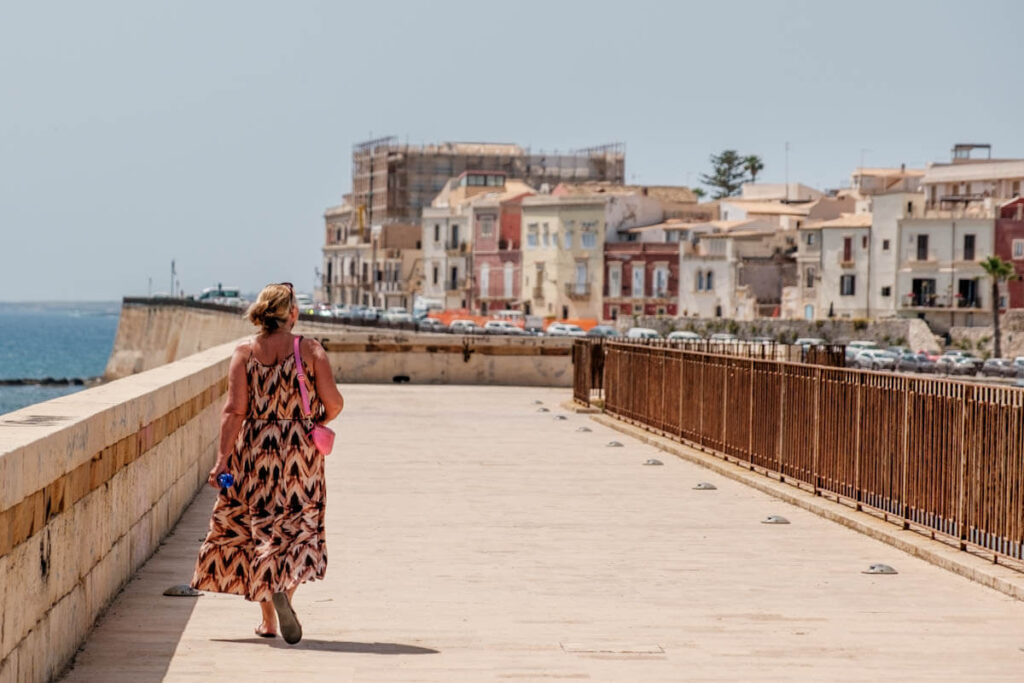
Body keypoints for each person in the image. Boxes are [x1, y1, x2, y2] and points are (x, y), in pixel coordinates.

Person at [191, 283, 344, 644]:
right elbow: (334, 402)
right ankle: (285, 594)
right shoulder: (309, 349)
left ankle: (268, 622)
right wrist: (315, 419)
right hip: (298, 453)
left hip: (255, 450)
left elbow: (233, 411)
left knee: (255, 528)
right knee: (297, 527)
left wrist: (221, 461)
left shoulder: (244, 352)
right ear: (292, 314)